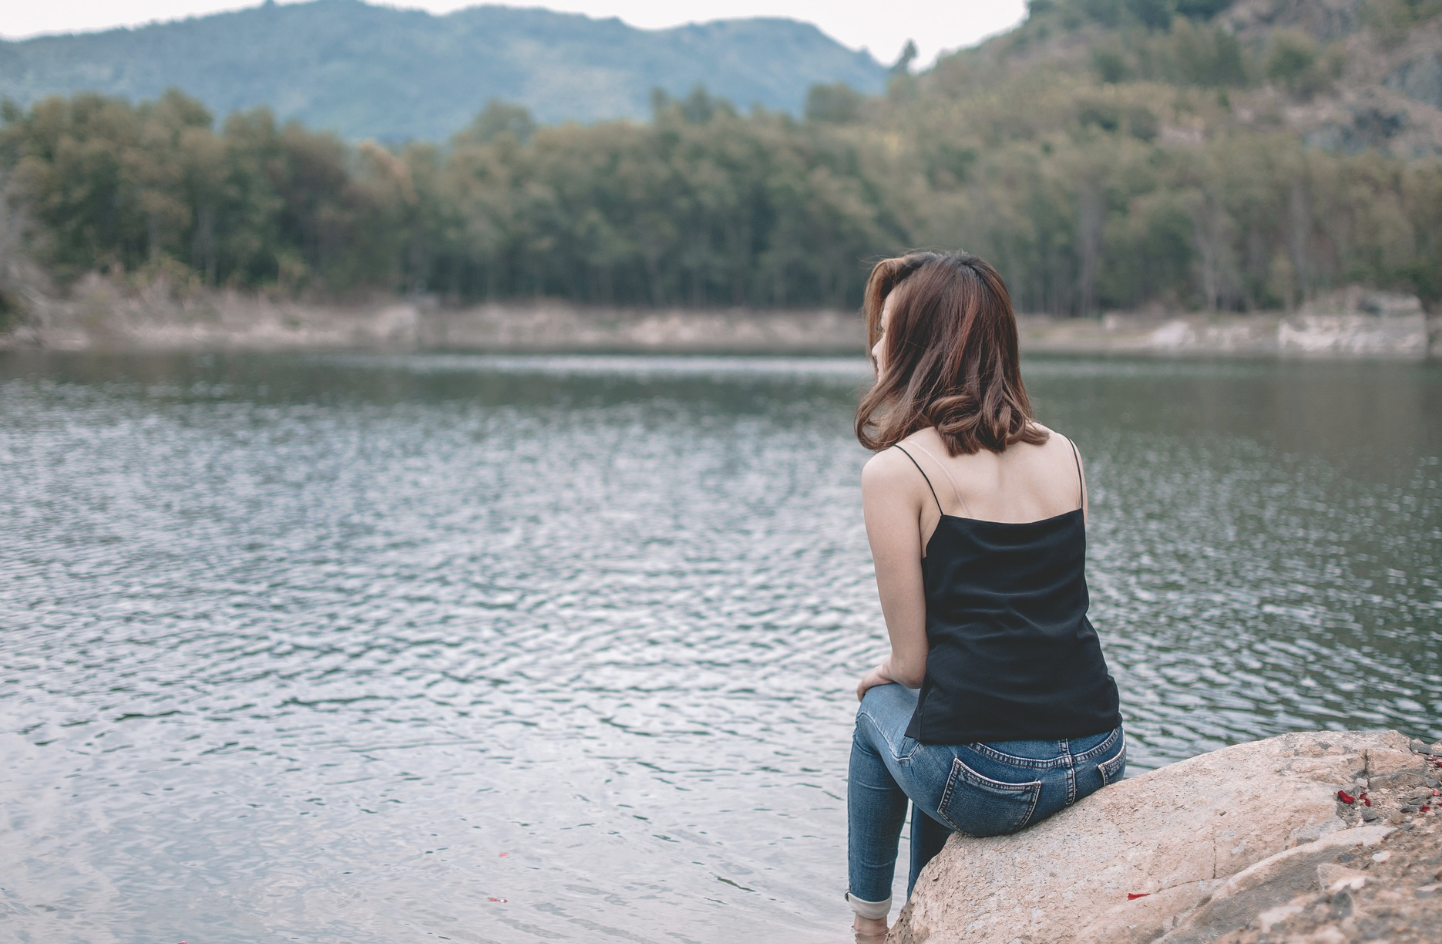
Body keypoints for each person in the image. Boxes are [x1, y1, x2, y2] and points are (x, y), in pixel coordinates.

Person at [845, 251, 1125, 941]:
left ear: (921, 346)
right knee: (944, 713)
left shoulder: (897, 472)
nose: (874, 346)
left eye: (886, 330)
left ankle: (870, 927)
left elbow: (912, 665)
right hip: (1100, 752)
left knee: (881, 712)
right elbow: (1045, 614)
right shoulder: (1066, 451)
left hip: (995, 782)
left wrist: (883, 677)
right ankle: (925, 912)